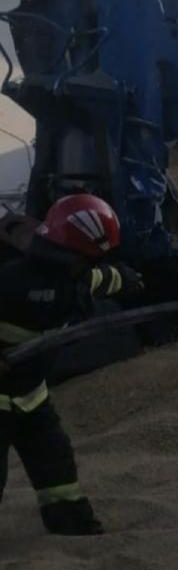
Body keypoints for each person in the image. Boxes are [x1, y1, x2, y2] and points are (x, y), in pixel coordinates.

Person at [0, 194, 143, 535]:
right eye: (89, 258)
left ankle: (71, 525)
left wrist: (128, 279)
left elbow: (100, 280)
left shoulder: (72, 279)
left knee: (56, 468)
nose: (90, 266)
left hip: (30, 395)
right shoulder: (12, 280)